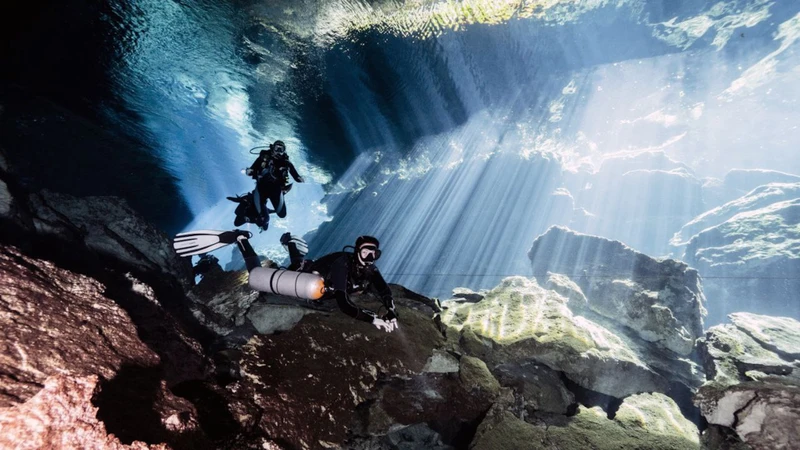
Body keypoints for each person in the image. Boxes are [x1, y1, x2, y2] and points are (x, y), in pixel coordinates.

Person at [234, 232, 399, 332]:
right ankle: (241, 240)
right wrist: (373, 319)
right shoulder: (342, 264)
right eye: (365, 253)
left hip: (315, 275)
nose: (369, 259)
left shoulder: (370, 270)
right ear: (357, 252)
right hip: (307, 278)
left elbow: (384, 290)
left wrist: (391, 310)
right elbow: (344, 304)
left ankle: (289, 241)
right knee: (257, 274)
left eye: (374, 254)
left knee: (299, 262)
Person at [229, 140, 304, 231]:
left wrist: (299, 178)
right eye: (277, 148)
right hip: (261, 187)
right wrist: (249, 171)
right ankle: (250, 201)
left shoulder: (286, 162)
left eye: (281, 149)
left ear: (284, 151)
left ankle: (257, 205)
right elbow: (253, 168)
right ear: (272, 148)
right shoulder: (263, 158)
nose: (279, 151)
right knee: (241, 221)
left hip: (276, 189)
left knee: (282, 214)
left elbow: (295, 174)